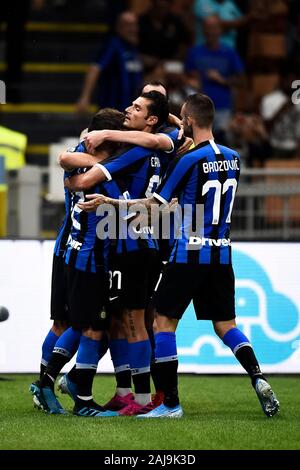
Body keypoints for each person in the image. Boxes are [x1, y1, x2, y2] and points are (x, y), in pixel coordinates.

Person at [79, 93, 280, 419]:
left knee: (162, 323)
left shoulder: (188, 160)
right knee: (226, 325)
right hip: (222, 255)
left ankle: (170, 404)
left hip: (189, 253)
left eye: (181, 119)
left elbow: (155, 206)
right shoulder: (234, 158)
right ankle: (257, 376)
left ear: (188, 121)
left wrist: (110, 204)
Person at [65, 91, 173, 416]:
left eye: (137, 108)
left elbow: (81, 179)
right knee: (119, 323)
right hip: (143, 244)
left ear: (151, 121)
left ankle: (140, 399)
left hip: (129, 246)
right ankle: (126, 392)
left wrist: (84, 160)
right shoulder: (163, 147)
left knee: (130, 323)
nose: (130, 109)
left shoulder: (134, 152)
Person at [30, 109, 127, 417]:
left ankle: (46, 386)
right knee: (91, 325)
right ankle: (62, 391)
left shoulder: (79, 154)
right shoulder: (100, 174)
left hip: (68, 248)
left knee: (68, 322)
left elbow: (67, 159)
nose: (119, 149)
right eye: (113, 143)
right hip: (88, 256)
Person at [185, 15, 244, 140]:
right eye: (207, 28)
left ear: (220, 30)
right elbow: (186, 77)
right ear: (203, 31)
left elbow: (241, 80)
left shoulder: (229, 52)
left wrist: (222, 80)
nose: (210, 31)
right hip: (198, 108)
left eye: (214, 28)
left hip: (223, 107)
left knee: (222, 142)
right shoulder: (194, 52)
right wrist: (192, 81)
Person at [76, 11, 143, 114]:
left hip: (131, 109)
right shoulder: (113, 45)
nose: (132, 29)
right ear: (118, 27)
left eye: (134, 25)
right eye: (127, 25)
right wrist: (85, 97)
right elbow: (95, 68)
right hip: (112, 110)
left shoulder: (134, 47)